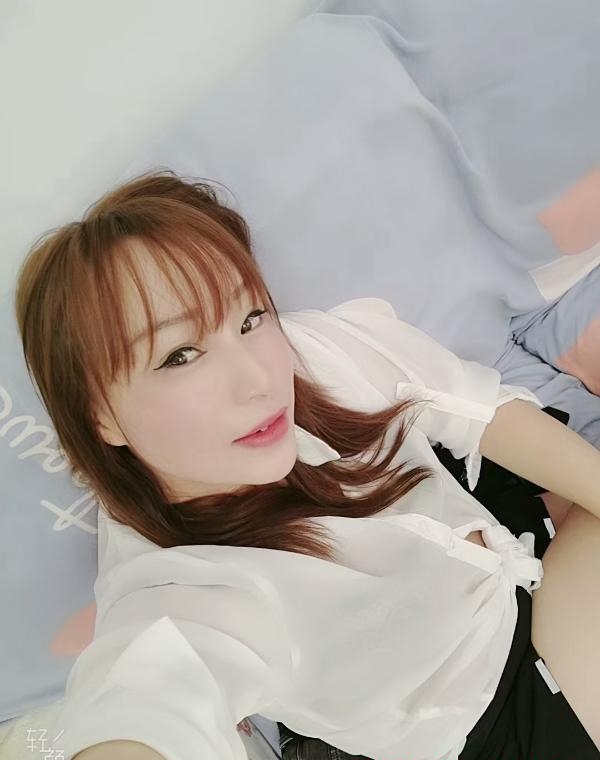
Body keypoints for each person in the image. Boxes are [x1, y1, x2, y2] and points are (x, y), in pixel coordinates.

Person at [14, 169, 600, 760]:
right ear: (100, 417)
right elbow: (147, 699)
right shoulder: (183, 593)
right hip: (496, 724)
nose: (258, 379)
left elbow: (474, 411)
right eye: (180, 355)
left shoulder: (312, 352)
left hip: (513, 564)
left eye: (249, 318)